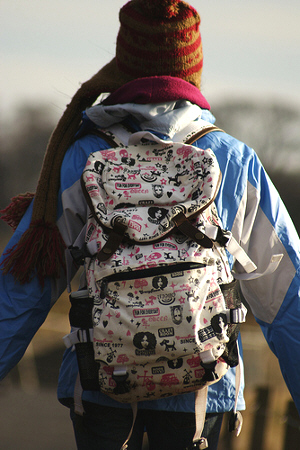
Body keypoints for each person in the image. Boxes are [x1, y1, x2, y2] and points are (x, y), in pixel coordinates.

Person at [1, 1, 300, 449]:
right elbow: (287, 297)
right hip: (202, 394)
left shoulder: (82, 158)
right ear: (192, 71)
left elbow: (20, 292)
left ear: (123, 68)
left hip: (101, 390)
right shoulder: (232, 161)